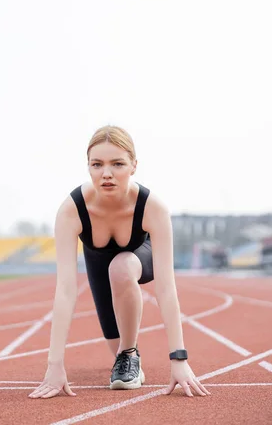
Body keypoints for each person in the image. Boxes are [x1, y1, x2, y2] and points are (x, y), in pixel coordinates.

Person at [28, 125, 210, 399]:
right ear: (88, 167)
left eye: (118, 164)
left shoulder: (153, 207)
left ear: (134, 166)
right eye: (97, 164)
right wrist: (54, 366)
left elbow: (166, 288)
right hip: (98, 263)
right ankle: (127, 353)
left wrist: (179, 359)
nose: (107, 173)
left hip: (139, 256)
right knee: (117, 348)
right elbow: (65, 290)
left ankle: (129, 354)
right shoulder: (72, 210)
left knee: (122, 266)